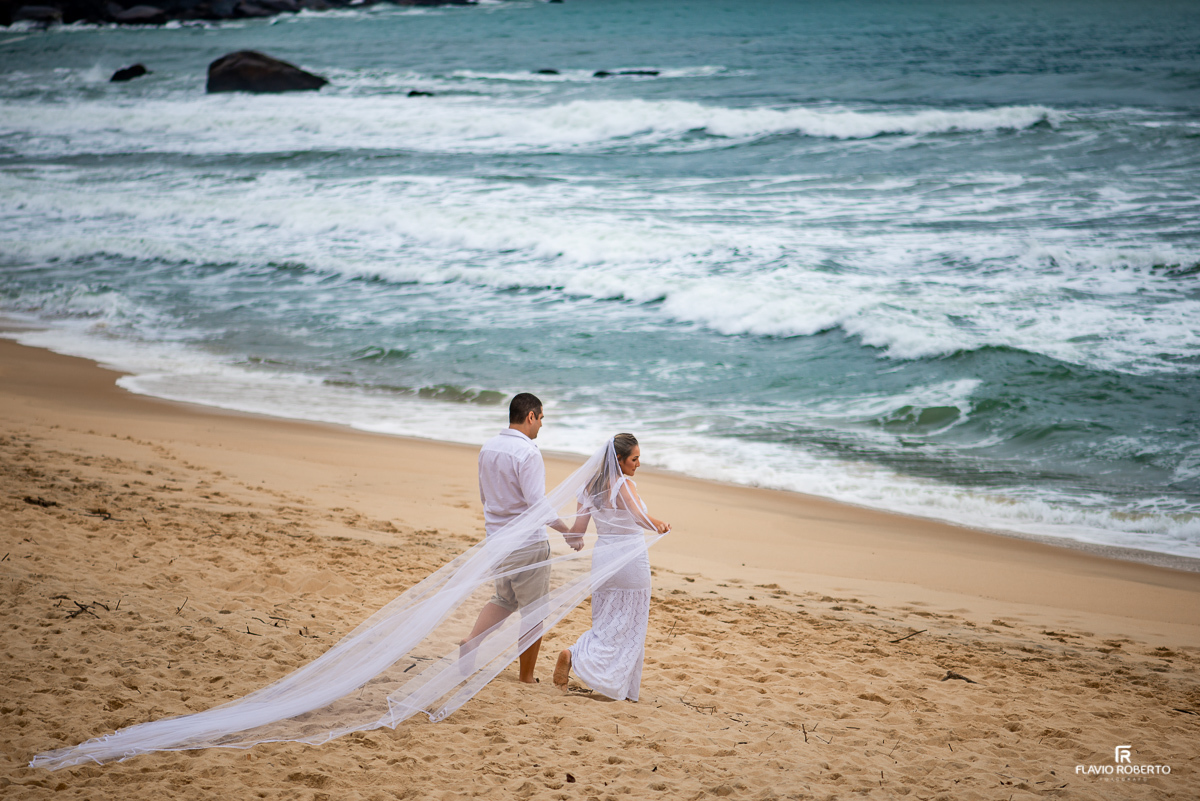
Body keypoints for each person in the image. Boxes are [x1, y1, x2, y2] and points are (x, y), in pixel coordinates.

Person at [460, 392, 582, 683]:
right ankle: (526, 677)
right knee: (534, 611)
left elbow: (484, 496)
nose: (541, 426)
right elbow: (537, 504)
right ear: (531, 416)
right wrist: (568, 531)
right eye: (541, 419)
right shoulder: (528, 452)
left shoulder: (488, 448)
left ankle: (471, 642)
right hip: (527, 543)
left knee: (503, 597)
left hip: (496, 540)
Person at [553, 433, 670, 701]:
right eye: (634, 458)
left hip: (604, 558)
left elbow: (578, 532)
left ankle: (575, 654)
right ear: (618, 460)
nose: (638, 464)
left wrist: (571, 537)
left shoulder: (590, 487)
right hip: (630, 558)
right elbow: (639, 517)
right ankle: (620, 687)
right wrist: (659, 524)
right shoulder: (624, 485)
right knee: (633, 623)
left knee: (605, 621)